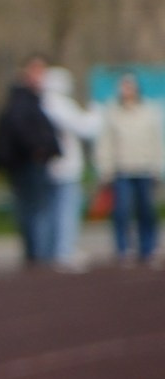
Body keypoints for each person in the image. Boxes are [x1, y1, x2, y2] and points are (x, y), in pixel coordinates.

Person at [0, 58, 62, 265]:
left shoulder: (32, 99)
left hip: (28, 163)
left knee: (33, 209)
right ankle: (38, 253)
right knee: (35, 209)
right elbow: (21, 132)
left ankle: (38, 252)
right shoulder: (22, 101)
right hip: (28, 164)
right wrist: (38, 150)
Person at [94, 73, 162, 265]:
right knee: (122, 210)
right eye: (123, 86)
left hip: (144, 167)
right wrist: (105, 168)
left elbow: (156, 141)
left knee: (146, 210)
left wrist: (157, 167)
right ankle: (123, 248)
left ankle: (148, 247)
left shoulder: (150, 110)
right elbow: (105, 143)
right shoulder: (112, 111)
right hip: (121, 169)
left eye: (129, 86)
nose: (126, 90)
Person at [40, 67, 100, 272]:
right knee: (65, 210)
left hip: (52, 166)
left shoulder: (43, 103)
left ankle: (53, 249)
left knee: (53, 211)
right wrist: (96, 113)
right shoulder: (58, 104)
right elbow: (85, 128)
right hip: (65, 167)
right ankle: (63, 250)